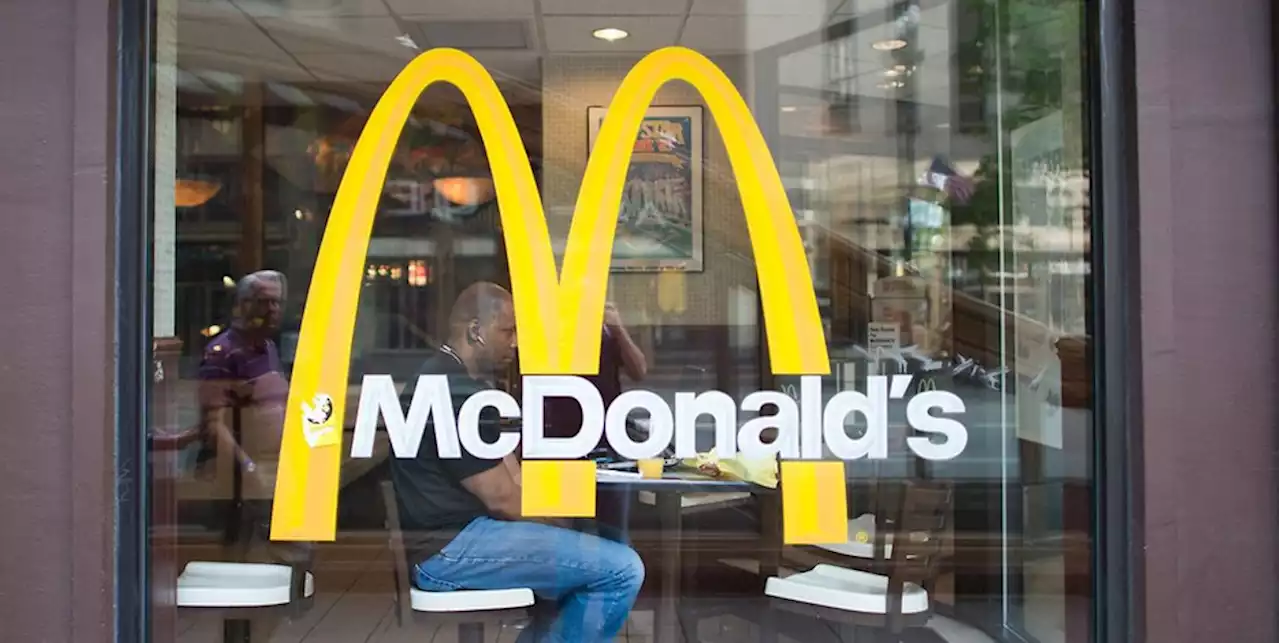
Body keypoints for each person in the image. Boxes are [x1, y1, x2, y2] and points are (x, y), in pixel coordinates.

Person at [392, 282, 645, 643]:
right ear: (476, 331)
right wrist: (565, 526)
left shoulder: (461, 383)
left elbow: (515, 476)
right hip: (451, 549)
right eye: (508, 331)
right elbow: (504, 499)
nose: (515, 343)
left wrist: (566, 526)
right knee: (622, 568)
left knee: (596, 551)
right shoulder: (452, 390)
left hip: (458, 538)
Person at [196, 270, 310, 567]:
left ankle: (276, 612)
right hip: (244, 476)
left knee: (288, 553)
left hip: (275, 469)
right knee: (252, 555)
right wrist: (247, 468)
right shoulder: (222, 352)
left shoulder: (268, 347)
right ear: (243, 304)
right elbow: (213, 424)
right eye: (263, 302)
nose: (272, 310)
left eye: (277, 303)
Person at [544, 300, 648, 543]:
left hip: (608, 439)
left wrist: (618, 328)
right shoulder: (554, 328)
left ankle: (619, 575)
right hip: (564, 441)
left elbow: (639, 371)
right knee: (567, 531)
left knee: (615, 530)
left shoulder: (607, 330)